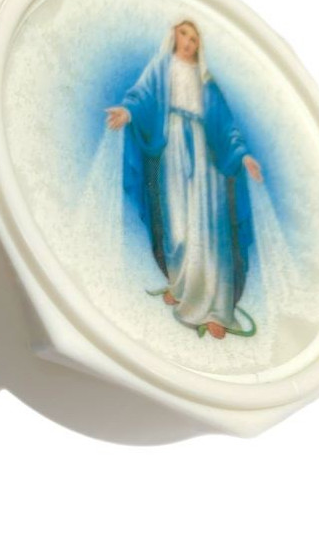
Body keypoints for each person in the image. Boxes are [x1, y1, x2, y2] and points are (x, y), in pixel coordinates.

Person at [106, 20, 263, 338]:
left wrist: (243, 155)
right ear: (174, 35)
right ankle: (181, 287)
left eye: (194, 38)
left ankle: (216, 309)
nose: (189, 42)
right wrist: (128, 112)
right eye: (184, 34)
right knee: (178, 226)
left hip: (206, 155)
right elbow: (142, 96)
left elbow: (227, 125)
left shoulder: (206, 81)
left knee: (208, 228)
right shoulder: (161, 68)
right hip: (173, 147)